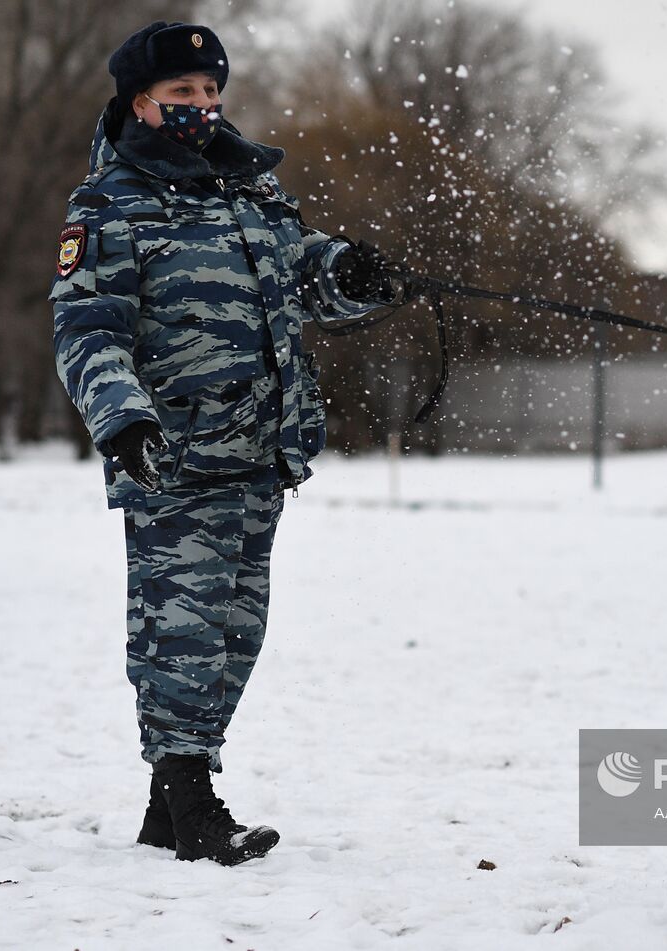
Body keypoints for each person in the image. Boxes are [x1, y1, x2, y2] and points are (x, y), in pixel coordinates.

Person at [50, 21, 400, 866]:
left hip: (260, 454)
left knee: (236, 636)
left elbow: (296, 281)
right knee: (182, 634)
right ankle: (193, 801)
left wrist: (346, 273)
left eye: (211, 93)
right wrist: (123, 419)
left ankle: (167, 806)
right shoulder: (110, 205)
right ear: (141, 102)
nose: (202, 109)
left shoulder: (249, 191)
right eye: (182, 96)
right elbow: (87, 329)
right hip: (173, 457)